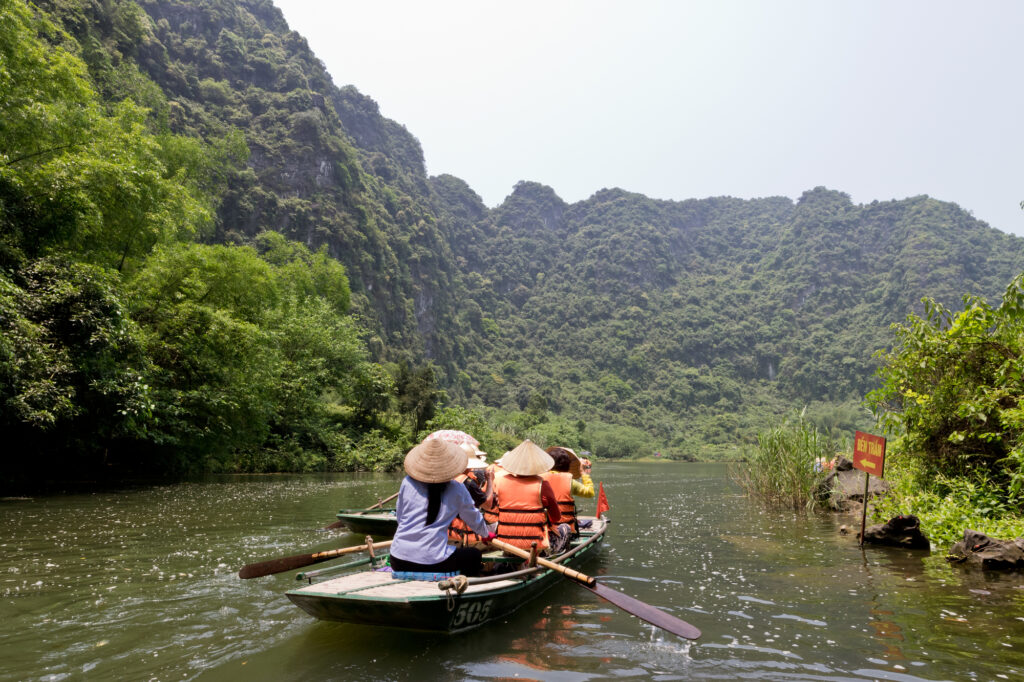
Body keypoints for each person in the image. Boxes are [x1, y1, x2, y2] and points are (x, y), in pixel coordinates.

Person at [389, 438, 496, 577]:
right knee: (474, 555)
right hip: (434, 561)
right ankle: (464, 589)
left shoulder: (407, 482)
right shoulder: (457, 488)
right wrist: (486, 534)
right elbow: (474, 518)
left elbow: (400, 517)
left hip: (398, 559)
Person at [491, 439, 563, 554]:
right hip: (534, 545)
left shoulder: (500, 481)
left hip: (505, 542)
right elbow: (556, 517)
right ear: (536, 466)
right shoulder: (542, 484)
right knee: (565, 529)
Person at [543, 446, 595, 536]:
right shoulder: (570, 481)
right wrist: (584, 473)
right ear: (567, 466)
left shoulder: (539, 479)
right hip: (565, 530)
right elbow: (590, 493)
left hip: (543, 529)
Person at [447, 445, 493, 546]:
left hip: (445, 533)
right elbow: (487, 505)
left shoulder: (445, 478)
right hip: (463, 537)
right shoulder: (467, 482)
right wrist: (490, 479)